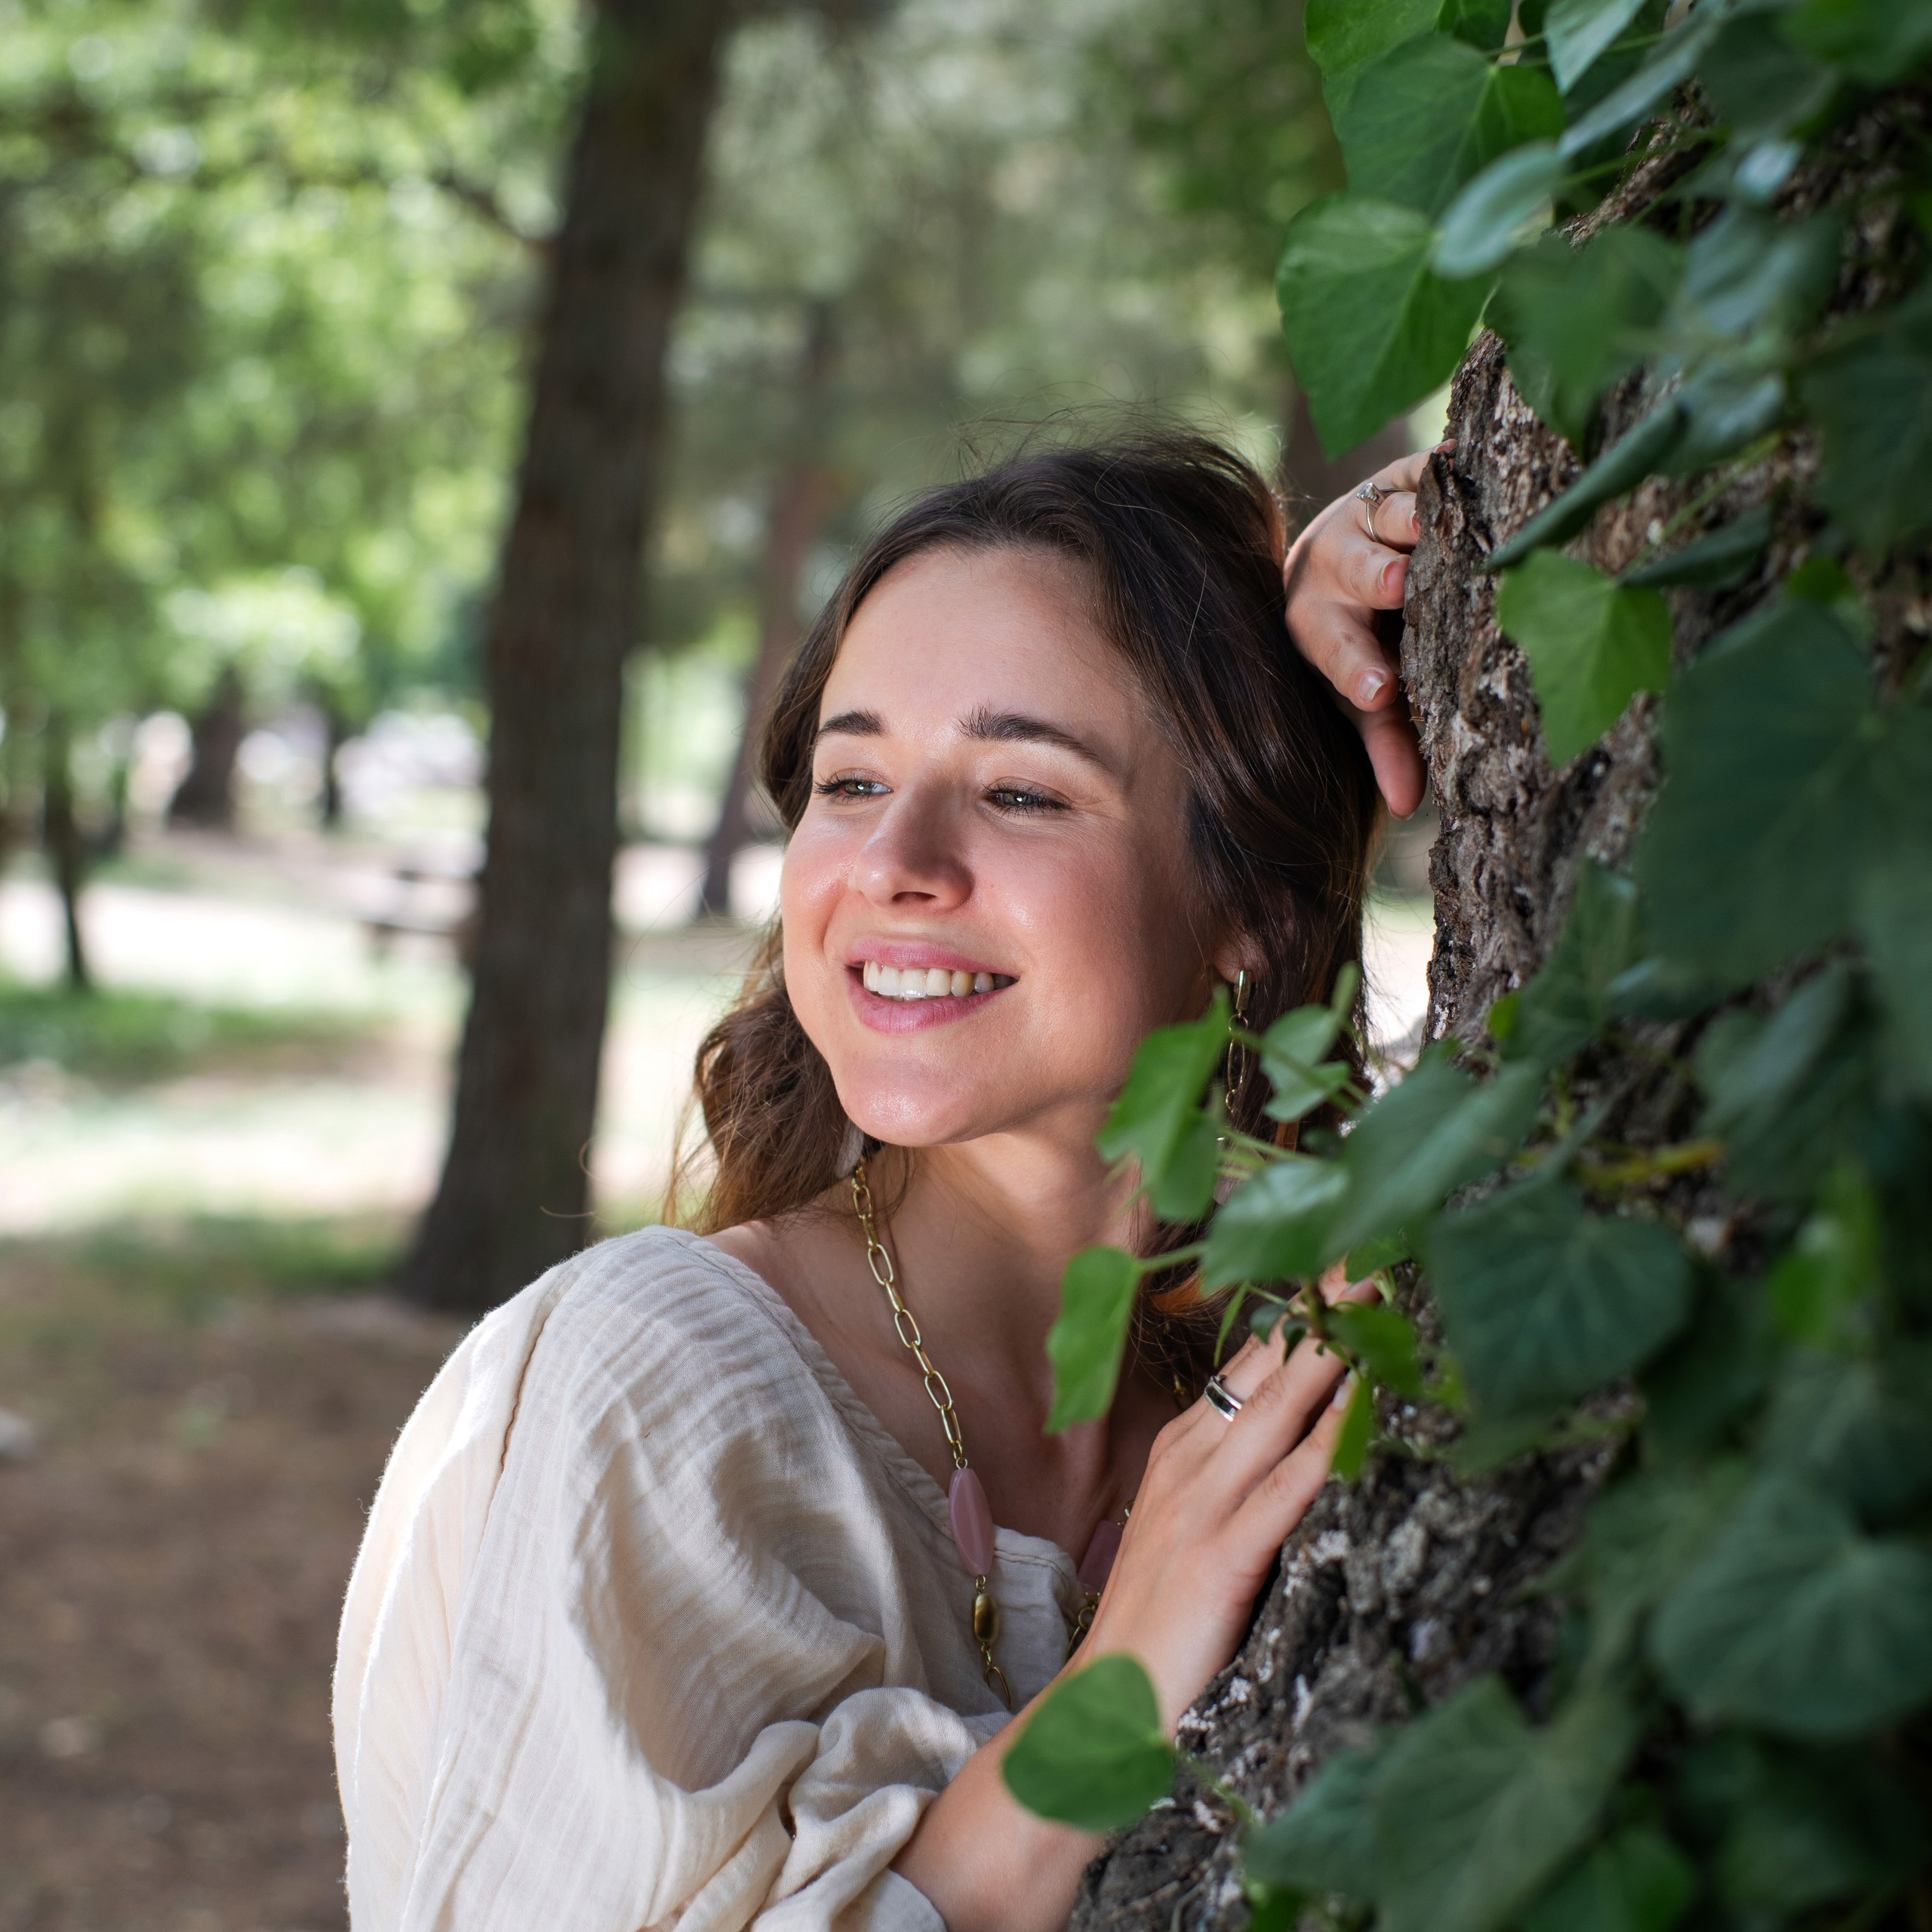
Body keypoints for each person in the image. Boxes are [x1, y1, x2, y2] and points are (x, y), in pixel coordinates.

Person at [334, 432, 1435, 1932]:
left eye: (1019, 790)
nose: (894, 860)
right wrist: (1120, 1672)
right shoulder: (651, 1377)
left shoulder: (1292, 1361)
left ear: (1248, 898)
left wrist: (1403, 553)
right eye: (851, 777)